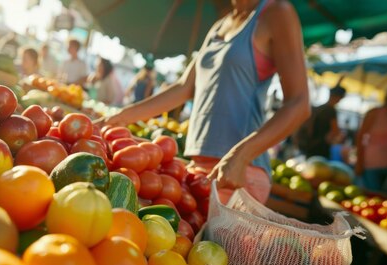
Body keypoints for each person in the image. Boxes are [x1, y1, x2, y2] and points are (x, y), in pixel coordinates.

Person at [97, 0, 309, 204]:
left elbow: (299, 103)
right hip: (198, 166)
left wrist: (241, 155)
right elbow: (184, 88)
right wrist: (121, 117)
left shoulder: (277, 13)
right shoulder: (221, 24)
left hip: (239, 172)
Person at [297, 85, 346, 159]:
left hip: (309, 145)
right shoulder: (331, 111)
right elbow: (335, 131)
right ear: (339, 98)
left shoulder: (319, 108)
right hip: (321, 148)